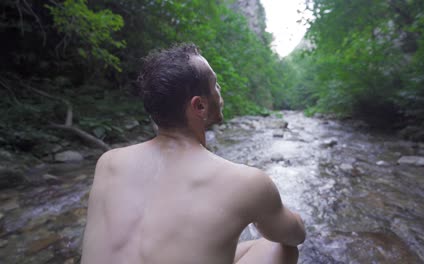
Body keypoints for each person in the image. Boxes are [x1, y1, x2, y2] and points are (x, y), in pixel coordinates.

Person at [81, 43, 306, 264]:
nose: (219, 90)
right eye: (215, 84)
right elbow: (295, 235)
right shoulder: (248, 182)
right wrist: (288, 215)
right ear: (199, 107)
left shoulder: (108, 163)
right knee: (279, 246)